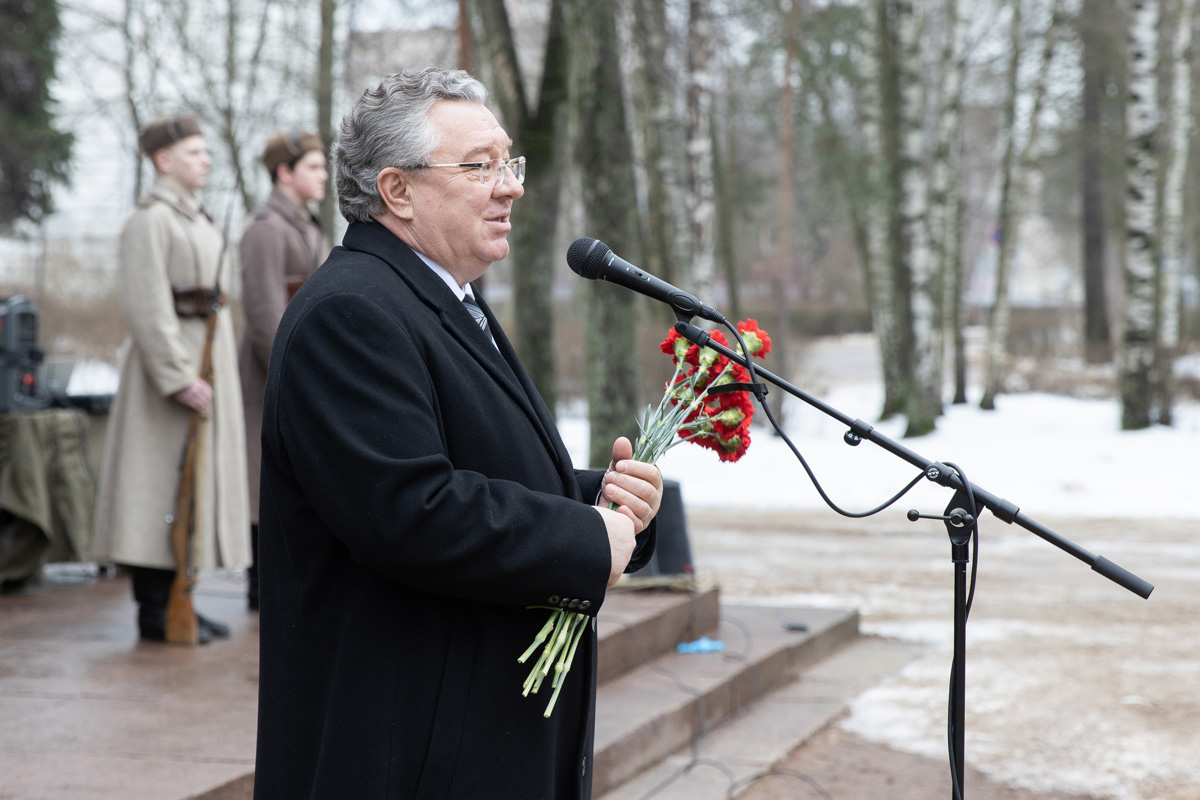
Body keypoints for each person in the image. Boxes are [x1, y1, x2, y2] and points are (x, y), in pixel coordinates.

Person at [253, 68, 663, 799]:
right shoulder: (350, 314)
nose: (511, 186)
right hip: (408, 753)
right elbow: (409, 511)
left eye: (510, 161)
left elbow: (466, 466)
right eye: (479, 166)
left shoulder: (439, 293)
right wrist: (582, 539)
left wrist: (599, 500)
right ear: (397, 190)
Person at [91, 115, 251, 644]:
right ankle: (155, 608)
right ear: (163, 160)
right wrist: (177, 376)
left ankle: (183, 598)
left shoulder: (195, 218)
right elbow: (146, 305)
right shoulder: (151, 220)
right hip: (171, 377)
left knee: (190, 490)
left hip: (205, 364)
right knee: (156, 490)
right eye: (194, 152)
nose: (206, 160)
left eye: (207, 153)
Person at [237, 130, 329, 610]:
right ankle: (259, 586)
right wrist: (296, 375)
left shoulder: (308, 227)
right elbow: (264, 317)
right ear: (284, 173)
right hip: (274, 373)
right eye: (313, 167)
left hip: (306, 367)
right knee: (260, 476)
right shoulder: (265, 229)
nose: (324, 176)